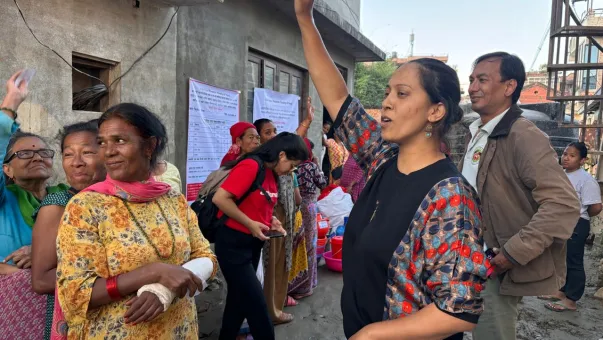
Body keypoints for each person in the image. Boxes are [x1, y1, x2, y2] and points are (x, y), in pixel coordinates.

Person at [295, 1, 488, 339]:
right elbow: (338, 97)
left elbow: (458, 310)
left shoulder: (450, 198)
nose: (386, 102)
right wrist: (304, 17)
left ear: (435, 111)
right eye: (387, 93)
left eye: (402, 94)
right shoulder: (383, 160)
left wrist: (372, 334)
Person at [56, 103, 217, 339]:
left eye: (119, 140)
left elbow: (207, 257)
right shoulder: (85, 207)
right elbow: (75, 293)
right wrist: (152, 273)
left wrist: (163, 290)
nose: (108, 151)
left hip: (179, 330)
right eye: (102, 142)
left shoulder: (172, 199)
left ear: (150, 146)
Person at [462, 52, 580, 340]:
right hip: (467, 258)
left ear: (509, 86)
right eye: (471, 80)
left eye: (482, 80)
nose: (472, 87)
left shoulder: (523, 135)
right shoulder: (477, 132)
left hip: (495, 267)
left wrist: (512, 254)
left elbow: (563, 205)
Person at [213, 132, 308, 340]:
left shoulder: (271, 174)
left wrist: (271, 221)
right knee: (258, 309)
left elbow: (261, 206)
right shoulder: (252, 166)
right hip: (232, 246)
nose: (292, 170)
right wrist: (249, 223)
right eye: (292, 164)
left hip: (252, 245)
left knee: (238, 302)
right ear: (282, 155)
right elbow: (221, 199)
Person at [0, 70, 68, 339]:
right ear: (7, 169)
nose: (37, 157)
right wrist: (10, 104)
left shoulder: (68, 199)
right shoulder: (5, 200)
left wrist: (43, 251)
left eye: (43, 152)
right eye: (25, 153)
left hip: (60, 312)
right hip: (11, 312)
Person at [30, 119, 106, 340]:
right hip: (75, 322)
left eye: (88, 153)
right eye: (68, 154)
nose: (77, 163)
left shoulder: (117, 202)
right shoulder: (58, 204)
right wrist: (122, 277)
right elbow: (41, 280)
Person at [253, 103, 313, 325]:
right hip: (270, 221)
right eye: (267, 132)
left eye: (274, 131)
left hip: (285, 218)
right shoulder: (263, 165)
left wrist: (306, 123)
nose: (273, 135)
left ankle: (276, 305)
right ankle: (271, 311)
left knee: (282, 265)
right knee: (271, 268)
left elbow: (293, 145)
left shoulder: (282, 160)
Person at [539, 142, 602, 312]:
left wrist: (579, 215)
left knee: (574, 261)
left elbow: (595, 206)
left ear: (582, 160)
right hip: (560, 221)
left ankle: (572, 299)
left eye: (572, 155)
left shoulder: (586, 180)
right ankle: (561, 291)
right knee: (561, 259)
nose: (566, 158)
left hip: (576, 223)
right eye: (565, 154)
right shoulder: (561, 174)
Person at [288, 137, 326, 300]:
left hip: (294, 208)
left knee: (297, 243)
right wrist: (318, 165)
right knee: (309, 244)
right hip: (309, 206)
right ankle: (306, 286)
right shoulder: (311, 166)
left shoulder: (291, 167)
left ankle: (294, 284)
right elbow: (323, 184)